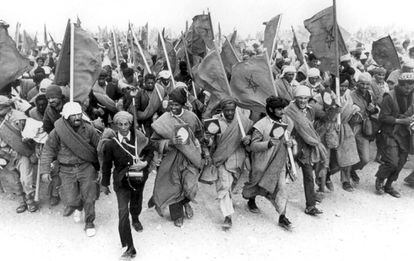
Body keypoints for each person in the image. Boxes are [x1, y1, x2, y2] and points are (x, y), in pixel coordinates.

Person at [149, 88, 208, 227]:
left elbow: (200, 136)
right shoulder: (163, 120)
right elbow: (153, 142)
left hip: (190, 158)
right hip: (171, 158)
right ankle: (177, 215)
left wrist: (205, 151)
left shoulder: (192, 117)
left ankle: (186, 203)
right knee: (173, 186)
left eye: (177, 104)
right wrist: (170, 142)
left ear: (183, 104)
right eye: (171, 104)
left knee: (190, 186)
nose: (173, 107)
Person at [40, 102, 100, 237]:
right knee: (70, 199)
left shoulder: (89, 129)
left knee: (89, 197)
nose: (77, 117)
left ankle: (89, 222)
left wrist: (102, 168)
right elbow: (48, 150)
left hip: (86, 167)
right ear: (66, 117)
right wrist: (45, 170)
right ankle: (78, 207)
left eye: (79, 114)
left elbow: (99, 148)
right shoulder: (58, 131)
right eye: (73, 115)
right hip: (66, 170)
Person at [101, 111, 155, 260]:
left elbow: (151, 150)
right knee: (122, 213)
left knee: (136, 204)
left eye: (126, 124)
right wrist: (104, 184)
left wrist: (145, 162)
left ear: (131, 125)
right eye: (120, 124)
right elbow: (106, 165)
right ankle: (129, 247)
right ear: (115, 125)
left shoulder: (139, 139)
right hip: (121, 181)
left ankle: (136, 218)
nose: (123, 127)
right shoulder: (111, 144)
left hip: (138, 179)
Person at [242, 96, 294, 230]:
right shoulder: (260, 125)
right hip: (262, 163)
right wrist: (268, 144)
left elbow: (291, 140)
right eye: (279, 109)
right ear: (271, 109)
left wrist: (291, 143)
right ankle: (251, 200)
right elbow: (253, 146)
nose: (282, 112)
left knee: (282, 188)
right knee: (255, 183)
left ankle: (282, 216)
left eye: (283, 109)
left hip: (279, 162)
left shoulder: (286, 122)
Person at [206, 99, 252, 229]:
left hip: (238, 161)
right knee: (224, 187)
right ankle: (228, 216)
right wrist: (207, 139)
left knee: (231, 186)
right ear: (222, 110)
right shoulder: (216, 122)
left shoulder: (243, 122)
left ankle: (228, 202)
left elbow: (251, 139)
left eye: (232, 110)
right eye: (227, 110)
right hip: (222, 160)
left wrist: (247, 140)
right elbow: (210, 142)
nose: (230, 113)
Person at [285, 85, 328, 215]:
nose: (303, 101)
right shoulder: (288, 111)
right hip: (291, 147)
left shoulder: (310, 111)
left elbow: (310, 128)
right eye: (300, 98)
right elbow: (285, 129)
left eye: (305, 98)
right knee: (282, 175)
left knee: (309, 175)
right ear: (295, 99)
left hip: (306, 148)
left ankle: (310, 206)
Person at [375, 73, 414, 197]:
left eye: (411, 87)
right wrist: (401, 121)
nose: (408, 90)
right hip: (389, 132)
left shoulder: (412, 96)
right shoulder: (389, 97)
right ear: (400, 85)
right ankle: (380, 179)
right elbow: (383, 117)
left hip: (404, 134)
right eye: (406, 87)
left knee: (401, 161)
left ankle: (389, 185)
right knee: (392, 161)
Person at [0, 98, 38, 213]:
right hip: (6, 154)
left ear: (7, 107)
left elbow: (30, 136)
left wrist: (31, 150)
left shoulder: (19, 117)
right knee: (14, 180)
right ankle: (22, 201)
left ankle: (30, 200)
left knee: (26, 179)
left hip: (22, 154)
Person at [349, 73, 378, 184]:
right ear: (357, 83)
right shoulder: (351, 95)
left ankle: (352, 169)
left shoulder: (370, 94)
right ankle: (345, 179)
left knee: (365, 159)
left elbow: (375, 109)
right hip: (352, 127)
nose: (364, 86)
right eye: (362, 84)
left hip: (365, 128)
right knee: (349, 153)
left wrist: (373, 109)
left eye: (367, 84)